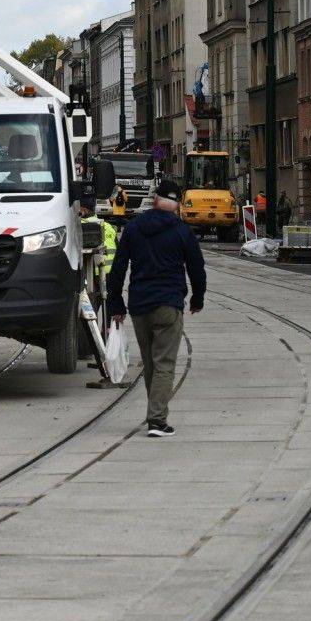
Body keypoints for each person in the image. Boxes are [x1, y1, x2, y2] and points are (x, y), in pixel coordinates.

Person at [105, 177, 205, 437]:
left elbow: (118, 268)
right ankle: (157, 420)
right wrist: (197, 299)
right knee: (164, 363)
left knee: (150, 364)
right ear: (177, 203)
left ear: (156, 199)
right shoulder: (182, 231)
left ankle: (155, 413)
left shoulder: (134, 227)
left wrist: (116, 302)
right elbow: (196, 268)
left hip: (139, 305)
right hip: (168, 305)